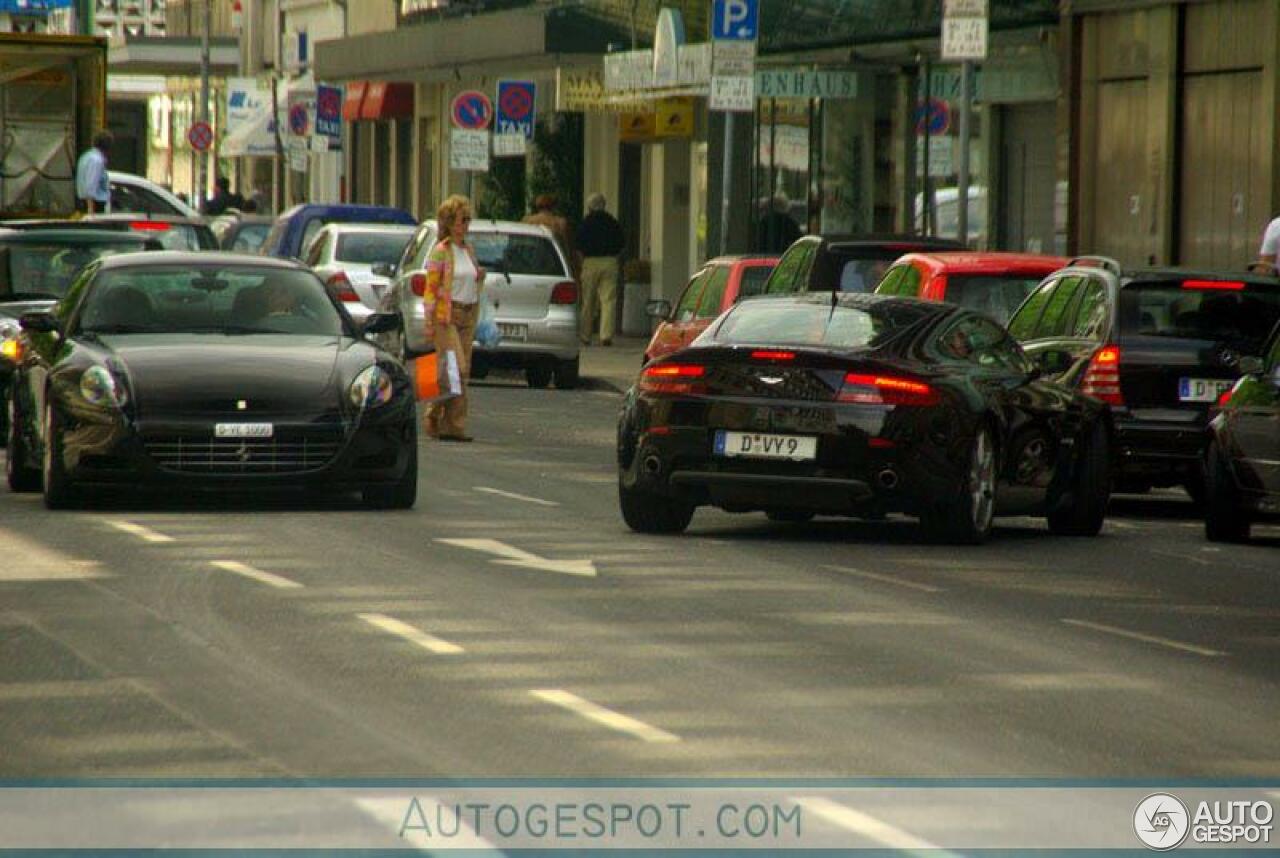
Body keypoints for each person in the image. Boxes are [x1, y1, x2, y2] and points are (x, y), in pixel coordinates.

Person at [423, 194, 486, 442]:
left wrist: (478, 275)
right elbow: (430, 288)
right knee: (454, 369)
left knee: (464, 371)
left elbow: (469, 277)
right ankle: (433, 410)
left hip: (468, 313)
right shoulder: (441, 252)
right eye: (461, 220)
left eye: (468, 220)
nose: (465, 225)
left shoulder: (468, 250)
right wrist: (429, 322)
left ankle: (454, 426)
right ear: (449, 222)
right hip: (446, 317)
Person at [575, 192, 624, 346]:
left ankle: (585, 335)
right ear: (604, 206)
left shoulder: (585, 223)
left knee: (588, 300)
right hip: (610, 261)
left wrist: (581, 261)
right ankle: (605, 335)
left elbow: (578, 245)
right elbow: (622, 242)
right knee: (608, 300)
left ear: (589, 207)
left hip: (590, 262)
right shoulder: (612, 222)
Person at [523, 194, 576, 271]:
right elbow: (567, 246)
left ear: (537, 206)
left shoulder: (527, 221)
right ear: (553, 206)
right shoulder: (560, 222)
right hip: (554, 265)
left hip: (529, 263)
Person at [75, 131, 112, 214]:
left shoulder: (86, 156)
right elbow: (90, 186)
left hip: (86, 202)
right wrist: (91, 209)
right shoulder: (97, 160)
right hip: (94, 205)